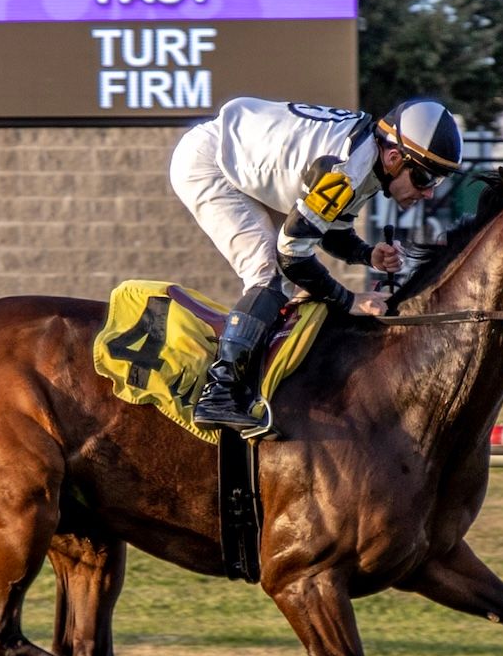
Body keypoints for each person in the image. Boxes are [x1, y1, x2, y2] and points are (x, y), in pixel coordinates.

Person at [169, 96, 463, 432]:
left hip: (233, 152)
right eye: (425, 178)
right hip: (209, 164)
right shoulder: (346, 169)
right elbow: (292, 255)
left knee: (281, 276)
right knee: (269, 274)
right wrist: (349, 299)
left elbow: (331, 231)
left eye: (437, 182)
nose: (427, 193)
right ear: (395, 157)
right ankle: (220, 393)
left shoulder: (371, 158)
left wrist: (367, 254)